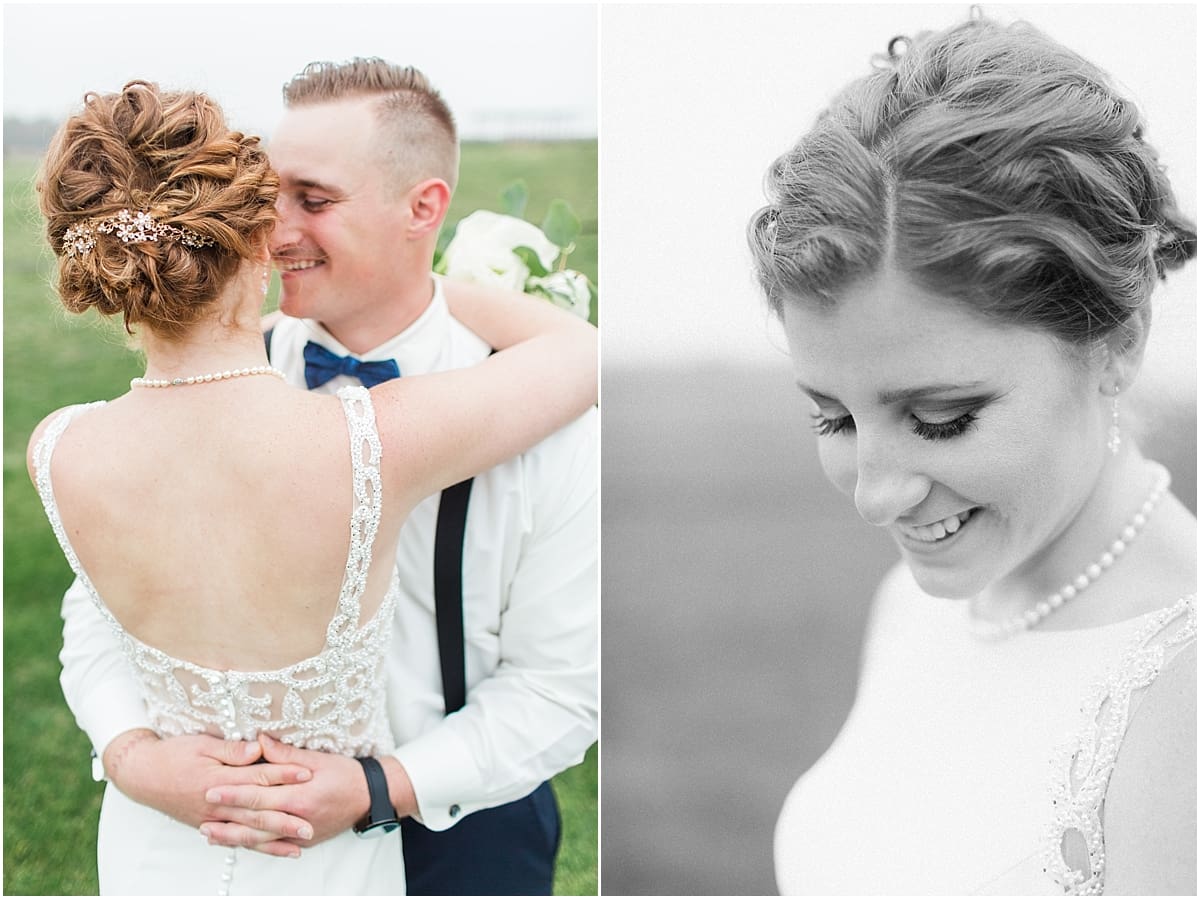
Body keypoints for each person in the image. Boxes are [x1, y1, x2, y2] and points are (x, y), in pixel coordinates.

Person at [33, 79, 596, 896]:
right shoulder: (361, 427)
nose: (280, 226)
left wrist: (384, 786)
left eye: (315, 198)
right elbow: (97, 614)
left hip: (468, 822)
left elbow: (561, 685)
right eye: (266, 199)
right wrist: (132, 754)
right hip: (222, 827)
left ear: (424, 209)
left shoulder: (545, 419)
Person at [747, 14, 1195, 896]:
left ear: (1117, 341)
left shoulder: (1185, 695)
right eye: (833, 418)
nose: (875, 495)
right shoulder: (912, 604)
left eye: (942, 418)